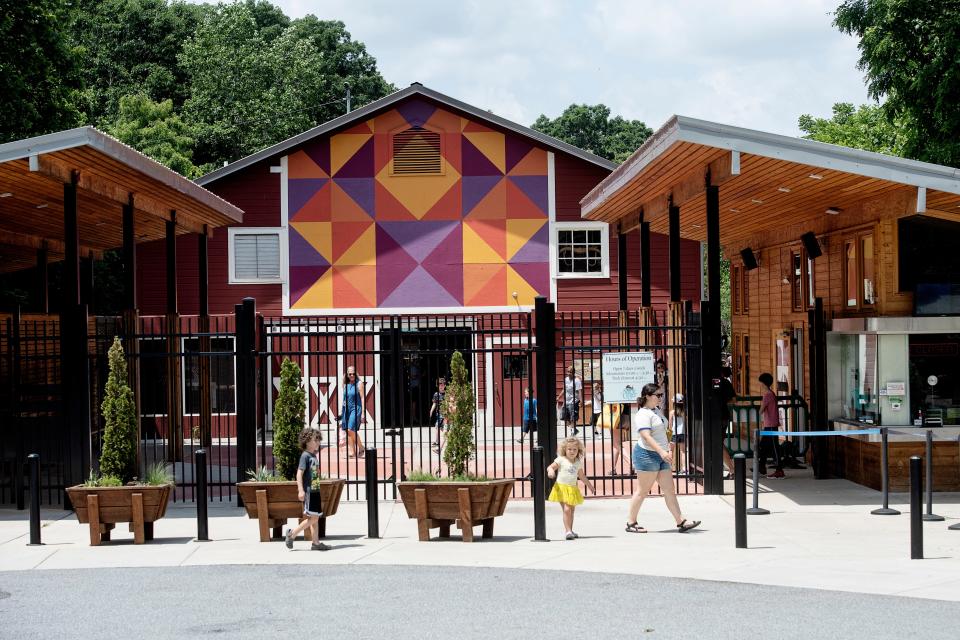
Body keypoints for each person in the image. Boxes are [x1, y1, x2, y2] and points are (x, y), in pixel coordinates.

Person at [625, 383, 701, 534]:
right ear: (647, 396)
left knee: (669, 490)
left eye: (661, 395)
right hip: (647, 454)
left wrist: (668, 448)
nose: (661, 398)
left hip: (661, 454)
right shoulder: (643, 414)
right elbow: (646, 436)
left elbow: (664, 431)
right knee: (642, 491)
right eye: (658, 395)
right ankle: (631, 522)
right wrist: (661, 451)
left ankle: (681, 521)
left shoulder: (656, 411)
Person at [285, 428, 329, 551]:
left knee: (315, 518)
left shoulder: (313, 456)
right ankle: (292, 534)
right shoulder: (305, 456)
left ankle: (315, 543)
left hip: (315, 491)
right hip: (309, 491)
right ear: (307, 441)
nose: (318, 442)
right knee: (313, 518)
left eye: (319, 440)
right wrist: (300, 490)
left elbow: (314, 472)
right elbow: (299, 473)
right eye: (316, 440)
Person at [547, 437, 595, 540]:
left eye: (575, 449)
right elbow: (550, 467)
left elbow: (581, 476)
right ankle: (567, 531)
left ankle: (570, 530)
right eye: (569, 449)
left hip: (573, 489)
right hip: (561, 488)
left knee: (571, 511)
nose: (572, 451)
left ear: (578, 450)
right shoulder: (561, 459)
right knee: (567, 509)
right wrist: (551, 472)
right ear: (565, 449)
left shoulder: (577, 462)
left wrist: (590, 486)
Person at [758, 372, 785, 478]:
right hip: (770, 424)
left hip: (771, 424)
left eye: (760, 383)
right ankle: (761, 466)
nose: (760, 385)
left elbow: (761, 410)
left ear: (764, 383)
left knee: (774, 447)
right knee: (763, 446)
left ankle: (779, 470)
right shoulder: (771, 393)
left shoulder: (767, 395)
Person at [338, 366, 365, 458]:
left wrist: (363, 413)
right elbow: (345, 399)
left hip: (355, 408)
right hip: (347, 409)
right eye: (350, 374)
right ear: (347, 375)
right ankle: (352, 452)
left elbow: (362, 398)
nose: (352, 375)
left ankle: (361, 447)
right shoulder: (346, 384)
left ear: (355, 373)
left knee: (350, 429)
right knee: (348, 430)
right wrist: (342, 411)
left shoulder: (359, 384)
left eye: (353, 373)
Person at [719, 366, 737, 478]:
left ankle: (731, 469)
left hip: (716, 416)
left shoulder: (712, 382)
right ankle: (730, 469)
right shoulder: (726, 383)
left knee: (718, 444)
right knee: (719, 443)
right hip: (724, 415)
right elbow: (734, 400)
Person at [559, 365, 582, 436]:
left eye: (570, 372)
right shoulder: (566, 379)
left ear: (573, 373)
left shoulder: (577, 381)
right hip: (566, 401)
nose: (568, 373)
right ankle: (574, 430)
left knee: (572, 418)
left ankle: (572, 433)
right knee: (564, 418)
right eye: (568, 372)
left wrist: (580, 401)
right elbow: (564, 389)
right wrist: (559, 397)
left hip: (574, 401)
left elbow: (579, 391)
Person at [669, 393, 686, 476]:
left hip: (674, 433)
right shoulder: (685, 412)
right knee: (683, 451)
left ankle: (669, 467)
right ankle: (684, 469)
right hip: (683, 433)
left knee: (670, 450)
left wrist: (668, 436)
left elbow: (670, 425)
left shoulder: (672, 412)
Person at [429, 377, 446, 451]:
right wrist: (431, 411)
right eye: (440, 385)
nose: (441, 386)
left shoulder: (447, 394)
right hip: (438, 413)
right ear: (438, 386)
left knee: (438, 426)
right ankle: (438, 441)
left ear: (445, 385)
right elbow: (434, 404)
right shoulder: (436, 394)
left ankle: (438, 441)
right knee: (439, 427)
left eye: (443, 385)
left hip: (444, 413)